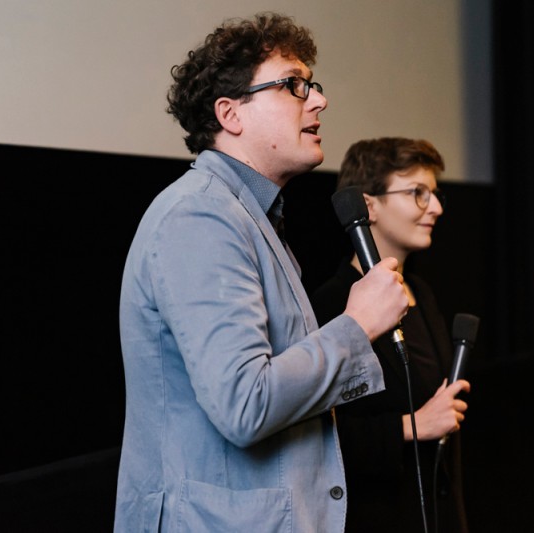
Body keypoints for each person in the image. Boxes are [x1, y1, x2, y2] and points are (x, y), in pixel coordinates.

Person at [114, 14, 410, 533]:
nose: (318, 100)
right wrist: (356, 325)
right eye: (294, 85)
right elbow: (245, 404)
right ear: (230, 114)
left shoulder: (247, 217)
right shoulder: (199, 216)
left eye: (312, 85)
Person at [311, 137, 471, 533]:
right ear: (369, 205)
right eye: (417, 193)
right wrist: (410, 425)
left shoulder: (422, 293)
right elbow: (318, 436)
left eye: (434, 194)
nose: (434, 207)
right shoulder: (332, 303)